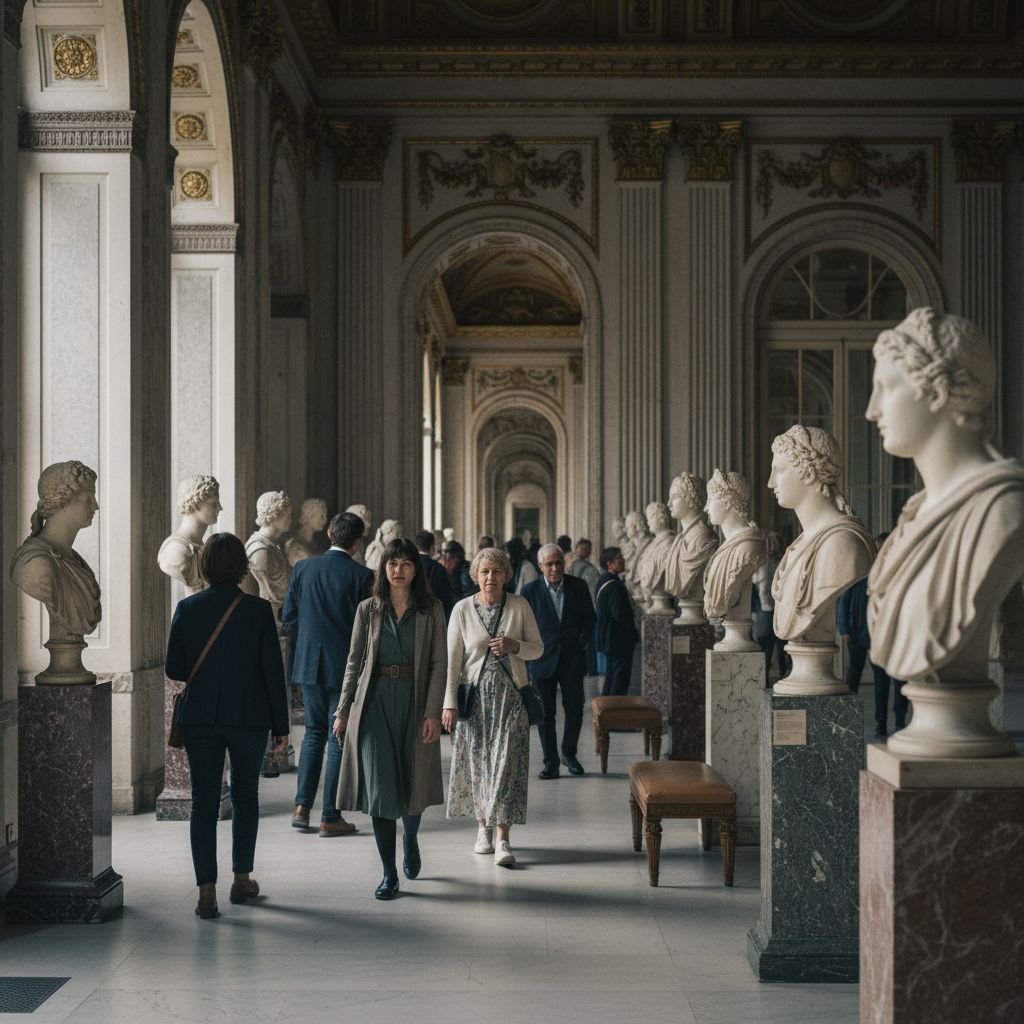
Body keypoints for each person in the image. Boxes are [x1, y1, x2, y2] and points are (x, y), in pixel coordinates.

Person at [165, 532, 290, 920]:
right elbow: (273, 672)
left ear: (204, 565)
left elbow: (175, 668)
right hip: (248, 717)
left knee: (202, 802)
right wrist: (280, 726)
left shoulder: (187, 608)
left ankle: (206, 891)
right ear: (240, 567)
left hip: (201, 717)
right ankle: (241, 879)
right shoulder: (257, 610)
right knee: (245, 797)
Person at [332, 538, 447, 900]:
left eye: (406, 564)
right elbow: (354, 661)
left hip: (415, 704)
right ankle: (388, 873)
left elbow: (439, 664)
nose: (398, 570)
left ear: (416, 569)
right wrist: (343, 711)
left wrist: (432, 712)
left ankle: (410, 839)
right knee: (381, 791)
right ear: (384, 568)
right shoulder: (369, 608)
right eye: (392, 563)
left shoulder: (431, 610)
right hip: (375, 703)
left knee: (412, 784)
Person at [442, 547, 544, 867]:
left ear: (507, 576)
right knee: (479, 766)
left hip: (512, 699)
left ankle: (503, 839)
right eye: (484, 572)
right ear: (475, 576)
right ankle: (482, 829)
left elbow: (538, 649)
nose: (490, 577)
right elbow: (452, 662)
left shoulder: (519, 606)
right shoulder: (461, 610)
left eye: (497, 571)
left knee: (507, 766)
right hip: (475, 701)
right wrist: (448, 705)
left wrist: (515, 646)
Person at [283, 511, 372, 836]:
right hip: (344, 667)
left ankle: (301, 808)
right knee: (337, 738)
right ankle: (330, 816)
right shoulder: (363, 575)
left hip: (307, 664)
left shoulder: (303, 568)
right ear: (357, 541)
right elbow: (369, 630)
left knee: (312, 734)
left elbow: (288, 615)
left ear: (331, 532)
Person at [521, 543, 597, 778]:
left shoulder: (579, 586)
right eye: (549, 564)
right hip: (541, 660)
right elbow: (522, 626)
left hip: (572, 658)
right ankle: (550, 763)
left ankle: (569, 754)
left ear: (564, 562)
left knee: (574, 710)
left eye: (559, 562)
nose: (555, 568)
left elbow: (590, 619)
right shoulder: (529, 591)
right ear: (540, 566)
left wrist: (581, 640)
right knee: (545, 715)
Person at [868, 532, 907, 736]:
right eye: (878, 548)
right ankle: (881, 723)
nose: (881, 551)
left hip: (899, 635)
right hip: (878, 636)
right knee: (881, 683)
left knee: (901, 681)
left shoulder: (902, 569)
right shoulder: (871, 571)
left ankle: (900, 721)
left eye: (884, 547)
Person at [595, 547, 640, 696]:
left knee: (611, 677)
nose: (623, 561)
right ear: (609, 563)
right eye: (619, 558)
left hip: (609, 639)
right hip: (618, 640)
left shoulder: (604, 580)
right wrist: (633, 633)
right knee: (619, 680)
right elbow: (620, 615)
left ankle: (606, 713)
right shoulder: (614, 585)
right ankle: (615, 714)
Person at [751, 531, 788, 682]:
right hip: (781, 614)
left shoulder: (762, 566)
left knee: (765, 653)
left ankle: (763, 686)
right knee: (782, 653)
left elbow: (755, 585)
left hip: (766, 613)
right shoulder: (785, 564)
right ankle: (784, 682)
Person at [570, 539, 601, 675]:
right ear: (576, 549)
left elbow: (594, 591)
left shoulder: (592, 569)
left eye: (586, 548)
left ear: (590, 551)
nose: (583, 551)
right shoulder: (570, 566)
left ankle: (590, 667)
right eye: (581, 548)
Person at [415, 529, 455, 622]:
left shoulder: (407, 566)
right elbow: (446, 600)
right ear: (432, 548)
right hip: (433, 619)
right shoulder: (438, 569)